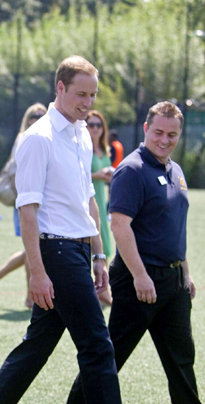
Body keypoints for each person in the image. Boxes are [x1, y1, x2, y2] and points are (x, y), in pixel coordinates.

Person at [0, 56, 160, 404]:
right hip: (54, 254)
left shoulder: (82, 135)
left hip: (78, 253)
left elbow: (87, 199)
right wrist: (37, 272)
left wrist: (100, 254)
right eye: (81, 93)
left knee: (37, 345)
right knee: (98, 347)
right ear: (60, 89)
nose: (88, 102)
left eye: (93, 95)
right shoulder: (38, 138)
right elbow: (27, 210)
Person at [51, 101, 205, 404]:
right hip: (139, 279)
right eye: (159, 132)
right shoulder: (132, 170)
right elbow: (119, 225)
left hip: (173, 281)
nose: (165, 140)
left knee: (182, 357)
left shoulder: (176, 171)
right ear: (145, 129)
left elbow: (175, 228)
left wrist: (186, 272)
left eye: (172, 134)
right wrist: (140, 275)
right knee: (113, 355)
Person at [0, 103, 47, 308]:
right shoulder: (24, 138)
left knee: (31, 249)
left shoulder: (45, 138)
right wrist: (25, 201)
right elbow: (14, 172)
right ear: (26, 120)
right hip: (27, 202)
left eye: (42, 115)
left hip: (38, 202)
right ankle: (30, 297)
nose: (37, 118)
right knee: (32, 249)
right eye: (33, 116)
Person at [87, 110, 113, 306]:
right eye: (91, 124)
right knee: (91, 244)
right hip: (87, 200)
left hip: (101, 201)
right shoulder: (83, 147)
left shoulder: (104, 149)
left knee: (104, 243)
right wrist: (99, 175)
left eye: (98, 124)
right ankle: (94, 291)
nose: (95, 128)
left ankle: (101, 287)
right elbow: (78, 176)